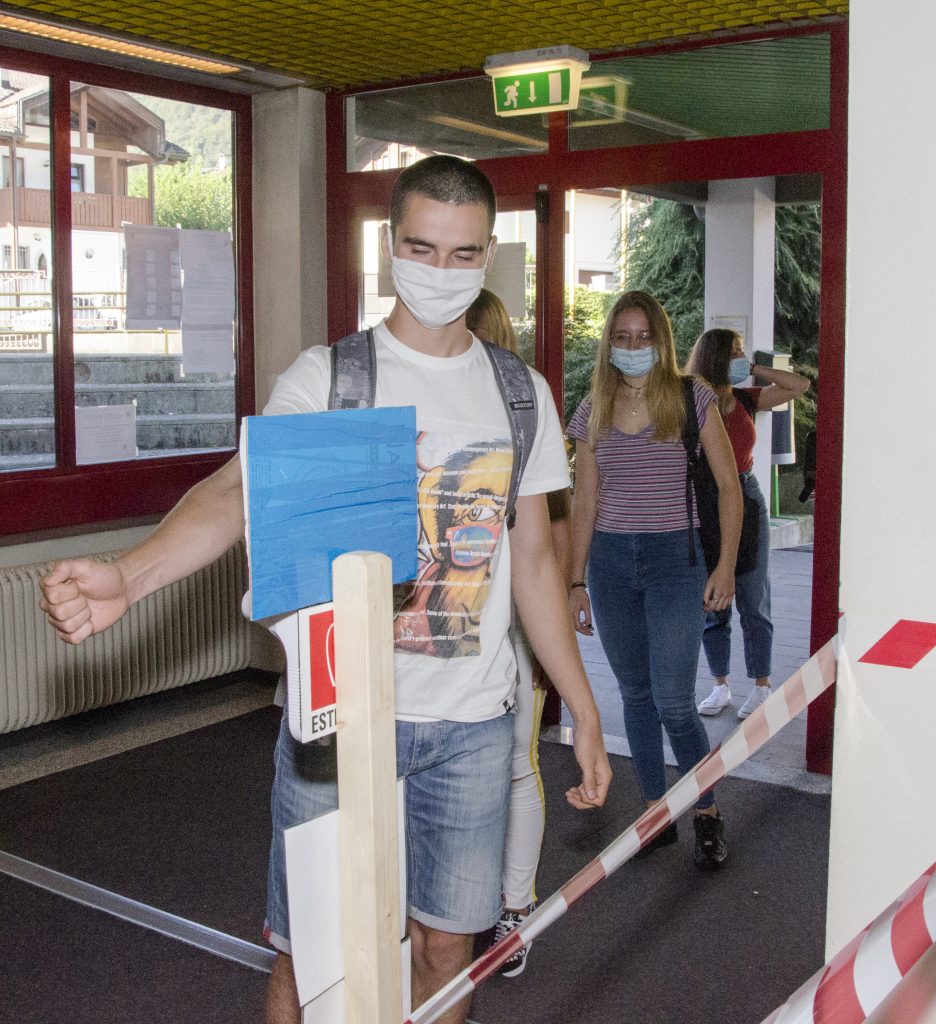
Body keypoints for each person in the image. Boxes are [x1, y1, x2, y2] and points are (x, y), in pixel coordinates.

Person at [38, 155, 611, 1024]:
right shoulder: (335, 380)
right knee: (314, 957)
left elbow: (531, 560)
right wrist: (130, 574)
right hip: (340, 724)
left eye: (463, 255)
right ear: (390, 247)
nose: (442, 271)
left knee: (447, 951)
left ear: (487, 257)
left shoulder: (517, 393)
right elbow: (236, 492)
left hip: (474, 726)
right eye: (423, 247)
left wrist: (583, 704)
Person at [566, 290, 742, 870]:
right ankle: (654, 810)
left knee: (673, 700)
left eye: (644, 337)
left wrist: (725, 566)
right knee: (636, 696)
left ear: (661, 341)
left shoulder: (693, 398)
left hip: (676, 560)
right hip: (611, 564)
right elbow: (585, 498)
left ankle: (707, 810)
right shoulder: (592, 407)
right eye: (623, 337)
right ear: (609, 343)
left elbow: (728, 486)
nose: (634, 347)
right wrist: (575, 581)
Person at [465, 288, 571, 977]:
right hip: (456, 628)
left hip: (517, 627)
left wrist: (544, 642)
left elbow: (549, 539)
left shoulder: (524, 409)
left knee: (514, 764)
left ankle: (514, 908)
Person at [686, 329, 810, 719]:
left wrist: (753, 367)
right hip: (705, 503)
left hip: (747, 497)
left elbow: (798, 384)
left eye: (742, 352)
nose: (741, 357)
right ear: (714, 357)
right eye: (734, 352)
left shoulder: (745, 397)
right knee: (714, 604)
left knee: (754, 599)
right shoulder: (689, 400)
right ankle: (720, 685)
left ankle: (761, 684)